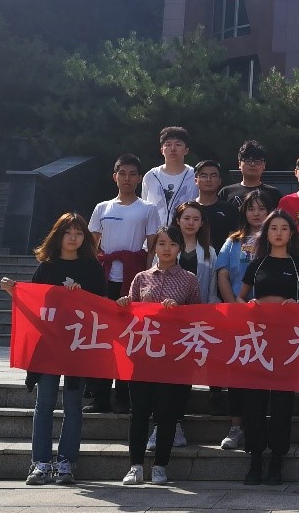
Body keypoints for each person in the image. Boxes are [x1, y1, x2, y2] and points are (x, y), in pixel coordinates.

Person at [0, 212, 105, 485]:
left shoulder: (92, 268)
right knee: (44, 403)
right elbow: (34, 303)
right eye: (68, 232)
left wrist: (82, 297)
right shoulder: (46, 267)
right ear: (58, 235)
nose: (73, 238)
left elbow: (102, 306)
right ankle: (41, 463)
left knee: (73, 405)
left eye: (79, 233)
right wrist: (14, 292)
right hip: (48, 345)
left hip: (77, 345)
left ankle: (66, 462)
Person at [118, 225, 200, 486]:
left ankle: (161, 466)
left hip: (172, 356)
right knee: (139, 412)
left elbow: (198, 317)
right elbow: (129, 312)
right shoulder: (141, 278)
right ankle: (135, 466)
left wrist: (179, 311)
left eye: (172, 244)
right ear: (154, 248)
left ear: (180, 248)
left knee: (166, 413)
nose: (167, 249)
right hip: (142, 354)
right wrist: (124, 304)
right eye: (162, 243)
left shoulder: (189, 279)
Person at [237, 210, 299, 486]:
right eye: (273, 228)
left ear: (291, 234)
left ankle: (277, 459)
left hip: (287, 340)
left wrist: (297, 306)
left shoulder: (298, 265)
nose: (278, 233)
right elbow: (240, 299)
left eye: (284, 228)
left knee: (282, 400)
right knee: (254, 399)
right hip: (258, 338)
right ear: (266, 233)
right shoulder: (257, 264)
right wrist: (250, 306)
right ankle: (255, 459)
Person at [87, 153, 161, 414]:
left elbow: (151, 248)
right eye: (122, 173)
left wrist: (148, 279)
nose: (127, 178)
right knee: (103, 338)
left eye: (132, 174)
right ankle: (99, 397)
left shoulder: (148, 209)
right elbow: (92, 245)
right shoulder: (102, 208)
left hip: (134, 279)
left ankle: (123, 397)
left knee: (129, 339)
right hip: (105, 278)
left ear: (139, 178)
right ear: (114, 177)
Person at [144, 200, 219, 453]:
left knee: (182, 377)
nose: (190, 223)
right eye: (186, 218)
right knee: (159, 379)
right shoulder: (163, 246)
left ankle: (175, 424)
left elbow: (210, 289)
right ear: (178, 220)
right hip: (161, 327)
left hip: (191, 324)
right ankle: (160, 426)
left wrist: (206, 314)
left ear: (202, 223)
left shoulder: (208, 251)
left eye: (196, 219)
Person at [214, 189, 270, 451]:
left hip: (269, 318)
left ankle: (260, 426)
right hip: (238, 316)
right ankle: (236, 426)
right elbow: (223, 273)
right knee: (236, 373)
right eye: (251, 208)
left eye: (261, 208)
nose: (256, 214)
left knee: (265, 373)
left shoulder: (276, 238)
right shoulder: (233, 241)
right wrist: (234, 304)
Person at [141, 126, 198, 227]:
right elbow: (144, 208)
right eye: (168, 144)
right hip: (155, 234)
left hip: (185, 233)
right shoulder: (151, 176)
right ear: (162, 150)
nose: (173, 149)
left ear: (186, 150)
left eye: (178, 144)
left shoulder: (194, 176)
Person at [219, 139, 282, 210]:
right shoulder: (226, 192)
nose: (253, 164)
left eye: (257, 161)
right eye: (248, 161)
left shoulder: (274, 194)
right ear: (239, 164)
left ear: (264, 165)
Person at [193, 159, 239, 254]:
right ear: (196, 181)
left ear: (219, 181)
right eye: (204, 176)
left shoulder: (230, 210)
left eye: (213, 176)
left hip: (222, 260)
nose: (208, 179)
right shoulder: (188, 209)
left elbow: (235, 240)